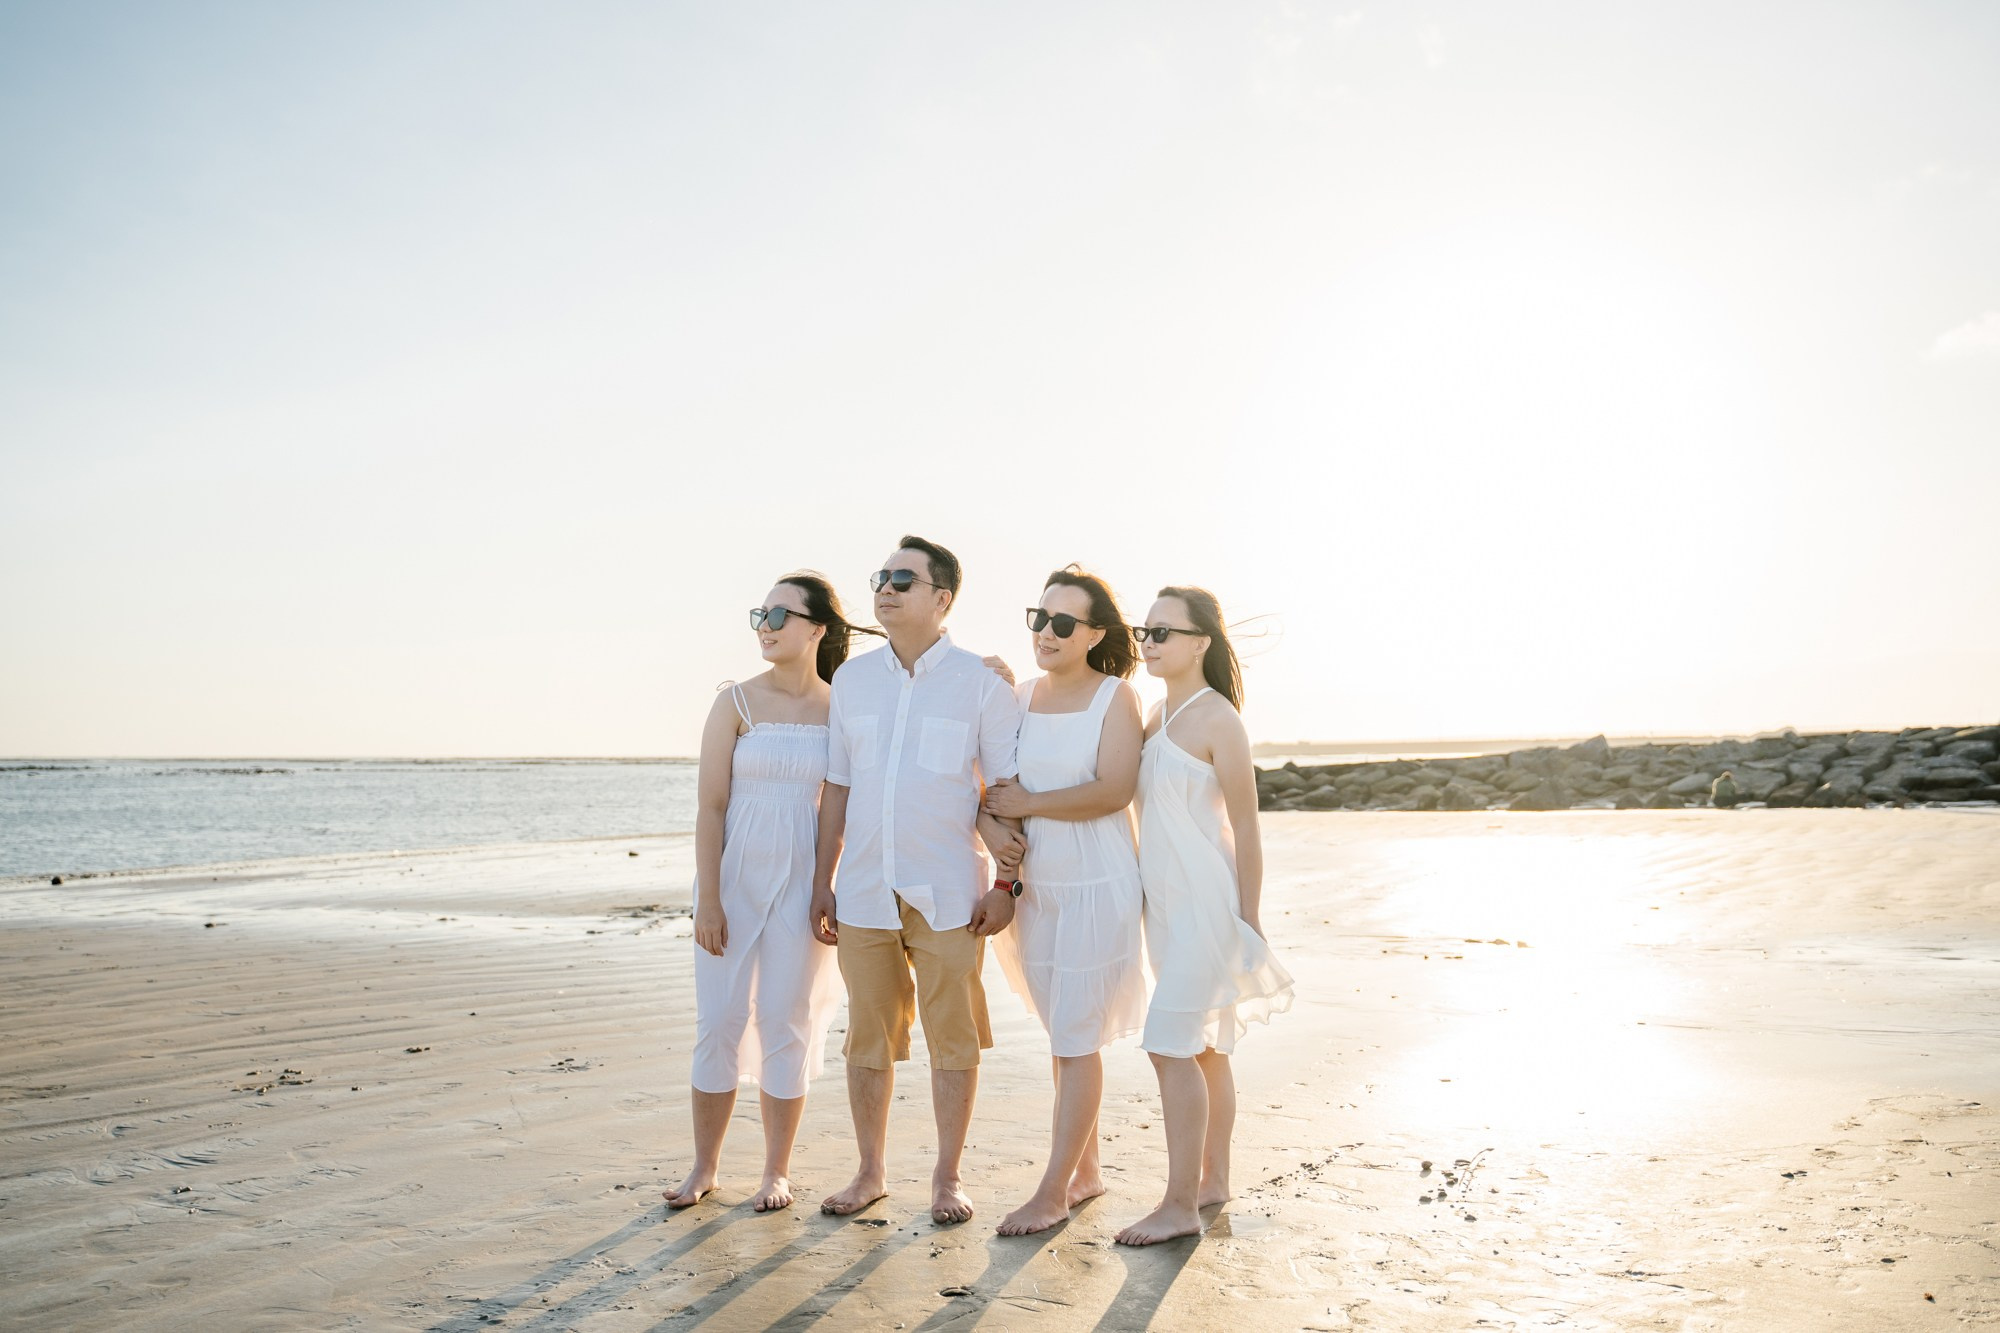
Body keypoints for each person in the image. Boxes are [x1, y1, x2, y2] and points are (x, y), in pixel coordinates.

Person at [810, 535, 1026, 1225]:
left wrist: (1005, 886)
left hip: (950, 893)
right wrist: (824, 880)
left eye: (905, 578)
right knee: (866, 1038)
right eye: (881, 576)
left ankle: (947, 1177)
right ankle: (870, 1172)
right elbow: (837, 788)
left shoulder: (983, 683)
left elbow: (1003, 793)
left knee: (952, 1037)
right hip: (865, 888)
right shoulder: (851, 680)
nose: (887, 587)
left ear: (943, 598)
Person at [666, 573, 871, 1213]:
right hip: (731, 878)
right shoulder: (735, 702)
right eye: (761, 613)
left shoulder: (842, 706)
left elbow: (840, 804)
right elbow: (711, 805)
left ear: (818, 629)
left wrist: (824, 886)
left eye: (781, 614)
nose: (766, 624)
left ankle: (775, 1172)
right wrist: (709, 900)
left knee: (787, 1018)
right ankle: (704, 1168)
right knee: (719, 1020)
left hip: (804, 881)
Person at [1114, 585, 1294, 1247]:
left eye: (1163, 631)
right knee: (1208, 1048)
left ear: (1200, 643)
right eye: (1144, 631)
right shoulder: (1155, 713)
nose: (1149, 642)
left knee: (1169, 1042)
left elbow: (1247, 827)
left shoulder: (1221, 719)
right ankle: (1215, 1179)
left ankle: (1179, 1203)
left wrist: (1250, 918)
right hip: (1164, 907)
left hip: (1208, 904)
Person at [981, 565, 1148, 1236]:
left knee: (1077, 1037)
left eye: (1062, 623)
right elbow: (989, 792)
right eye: (1038, 619)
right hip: (1037, 888)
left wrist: (1032, 804)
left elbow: (1115, 788)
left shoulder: (1117, 698)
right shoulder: (1015, 697)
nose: (1045, 633)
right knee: (1064, 1034)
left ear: (1094, 634)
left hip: (1098, 884)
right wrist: (997, 832)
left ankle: (1053, 1190)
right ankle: (1086, 1171)